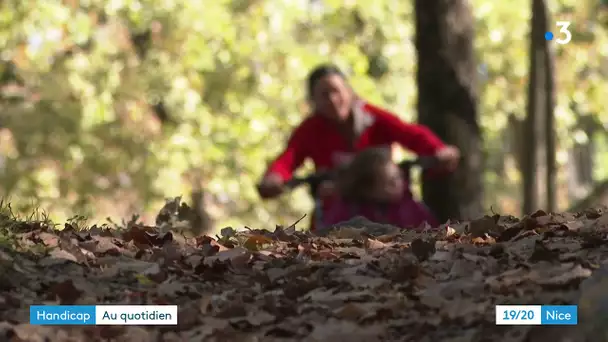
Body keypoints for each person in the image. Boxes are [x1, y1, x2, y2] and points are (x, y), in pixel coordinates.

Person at [256, 64, 459, 230]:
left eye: (336, 91)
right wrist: (274, 178)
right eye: (323, 95)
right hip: (338, 209)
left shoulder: (374, 118)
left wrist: (438, 150)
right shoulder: (310, 129)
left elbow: (411, 135)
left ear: (349, 92)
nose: (332, 100)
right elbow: (290, 157)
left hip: (392, 208)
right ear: (313, 102)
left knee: (427, 227)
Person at [323, 147, 439, 229]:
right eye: (391, 183)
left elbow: (432, 230)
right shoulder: (347, 210)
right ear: (367, 189)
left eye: (399, 177)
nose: (400, 184)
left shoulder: (411, 207)